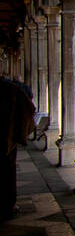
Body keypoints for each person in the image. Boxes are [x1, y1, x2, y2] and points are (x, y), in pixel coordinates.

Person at [0, 78, 35, 220]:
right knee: (6, 173)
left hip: (7, 139)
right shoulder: (10, 88)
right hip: (6, 140)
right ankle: (7, 207)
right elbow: (30, 109)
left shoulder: (11, 88)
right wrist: (18, 135)